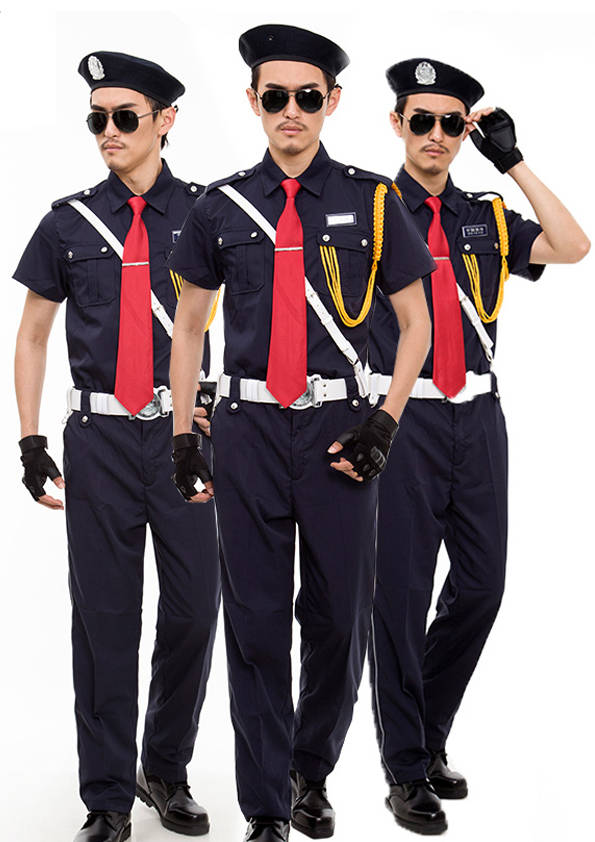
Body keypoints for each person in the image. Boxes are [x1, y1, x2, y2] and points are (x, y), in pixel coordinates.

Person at [166, 24, 435, 842]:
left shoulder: (374, 201)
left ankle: (307, 770)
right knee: (253, 625)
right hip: (246, 431)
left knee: (337, 619)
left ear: (332, 103)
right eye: (276, 96)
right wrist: (182, 436)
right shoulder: (219, 206)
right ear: (253, 101)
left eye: (307, 96)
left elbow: (415, 324)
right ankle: (266, 808)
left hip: (338, 435)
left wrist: (384, 422)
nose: (292, 110)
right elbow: (187, 327)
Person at [367, 57, 590, 835]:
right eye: (419, 119)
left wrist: (512, 161)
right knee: (398, 599)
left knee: (480, 587)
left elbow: (573, 245)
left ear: (465, 130)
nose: (434, 134)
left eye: (449, 123)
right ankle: (405, 767)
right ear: (396, 123)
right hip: (403, 419)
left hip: (478, 417)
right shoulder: (368, 213)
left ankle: (424, 733)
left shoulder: (486, 217)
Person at [13, 51, 221, 842]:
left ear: (165, 121)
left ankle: (162, 767)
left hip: (185, 437)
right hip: (97, 439)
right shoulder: (67, 222)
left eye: (124, 117)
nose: (108, 130)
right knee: (103, 618)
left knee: (195, 610)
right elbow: (34, 334)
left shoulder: (209, 215)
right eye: (96, 118)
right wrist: (31, 439)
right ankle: (105, 796)